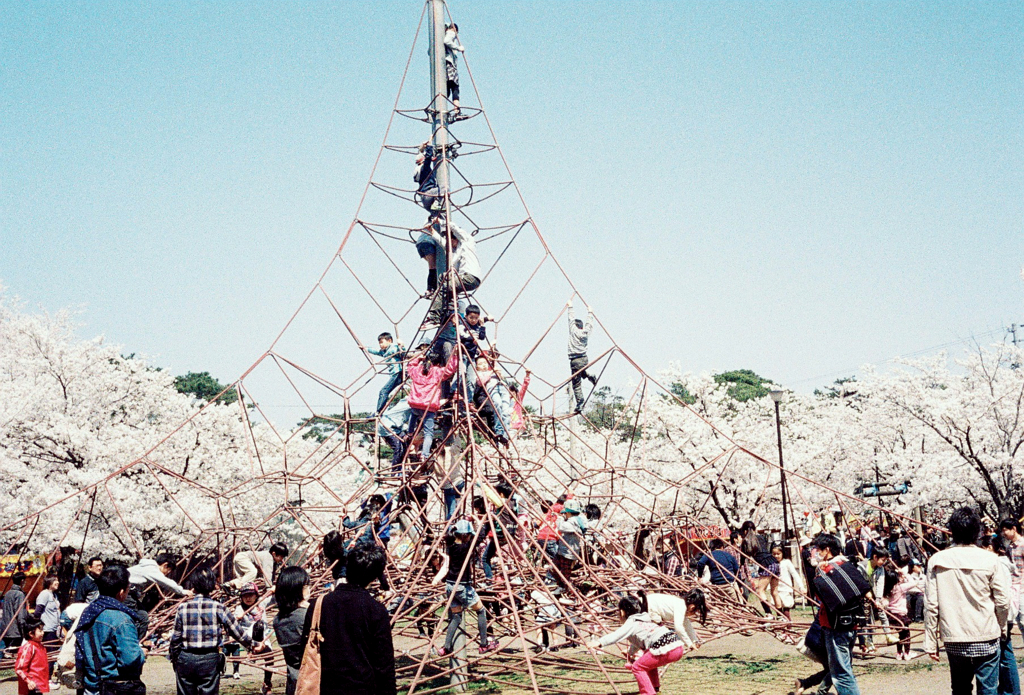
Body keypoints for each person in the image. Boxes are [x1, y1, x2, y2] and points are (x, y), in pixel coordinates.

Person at [926, 507, 1010, 695]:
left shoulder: (937, 560)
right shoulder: (991, 559)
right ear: (978, 532)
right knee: (988, 688)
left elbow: (931, 605)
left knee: (960, 687)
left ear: (952, 531)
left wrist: (931, 643)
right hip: (986, 633)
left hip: (954, 635)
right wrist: (1002, 627)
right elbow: (1003, 601)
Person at [301, 545, 397, 695]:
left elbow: (305, 649)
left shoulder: (318, 605)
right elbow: (384, 666)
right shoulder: (376, 611)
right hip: (363, 688)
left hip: (325, 688)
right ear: (375, 576)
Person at [170, 568, 265, 695]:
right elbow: (237, 632)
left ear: (193, 585)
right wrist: (254, 644)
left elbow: (175, 638)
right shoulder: (219, 608)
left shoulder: (182, 608)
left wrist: (175, 659)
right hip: (209, 659)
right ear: (212, 586)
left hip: (186, 658)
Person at [587, 595, 686, 695]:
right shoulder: (646, 619)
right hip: (677, 646)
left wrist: (599, 642)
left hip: (664, 647)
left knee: (638, 667)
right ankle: (655, 688)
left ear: (622, 612)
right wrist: (630, 652)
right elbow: (640, 641)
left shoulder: (632, 622)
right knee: (648, 661)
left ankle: (648, 693)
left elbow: (617, 635)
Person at [75, 564, 146, 695]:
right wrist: (142, 653)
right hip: (113, 687)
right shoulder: (121, 619)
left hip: (91, 684)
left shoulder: (89, 612)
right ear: (121, 592)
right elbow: (130, 660)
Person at [436, 520, 499, 657]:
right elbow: (480, 537)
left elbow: (453, 534)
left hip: (450, 586)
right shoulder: (466, 547)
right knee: (481, 611)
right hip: (462, 586)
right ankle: (483, 644)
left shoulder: (450, 546)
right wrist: (488, 522)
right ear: (465, 536)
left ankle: (446, 647)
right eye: (469, 535)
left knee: (456, 617)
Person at [811, 533, 863, 695]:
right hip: (852, 623)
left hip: (834, 625)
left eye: (818, 550)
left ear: (827, 550)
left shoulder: (826, 569)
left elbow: (820, 597)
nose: (817, 553)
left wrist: (818, 571)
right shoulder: (850, 565)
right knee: (845, 668)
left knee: (841, 674)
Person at [406, 345, 459, 460]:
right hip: (428, 406)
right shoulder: (437, 372)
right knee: (428, 433)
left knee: (414, 414)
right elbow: (450, 370)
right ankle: (425, 454)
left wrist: (418, 358)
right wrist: (455, 356)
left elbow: (410, 366)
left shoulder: (417, 370)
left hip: (415, 403)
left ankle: (410, 433)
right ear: (438, 363)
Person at [424, 222, 481, 328]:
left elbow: (456, 229)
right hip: (464, 278)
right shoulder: (456, 251)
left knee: (443, 287)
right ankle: (447, 304)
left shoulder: (467, 242)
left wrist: (442, 222)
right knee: (443, 277)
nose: (449, 245)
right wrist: (432, 231)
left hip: (470, 277)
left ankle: (434, 318)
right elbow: (444, 244)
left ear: (455, 239)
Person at [223, 583, 273, 694]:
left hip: (263, 637)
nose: (248, 598)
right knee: (257, 626)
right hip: (247, 638)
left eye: (251, 595)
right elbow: (234, 624)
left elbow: (273, 595)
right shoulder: (239, 608)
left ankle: (267, 683)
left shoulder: (261, 603)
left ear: (256, 596)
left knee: (270, 657)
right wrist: (237, 618)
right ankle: (253, 650)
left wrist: (274, 589)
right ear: (241, 597)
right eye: (245, 596)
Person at [272, 567, 309, 695]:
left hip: (293, 682)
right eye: (306, 586)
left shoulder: (278, 619)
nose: (309, 589)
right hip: (310, 682)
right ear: (297, 590)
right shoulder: (306, 616)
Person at [635, 589, 706, 651]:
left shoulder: (680, 604)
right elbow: (678, 628)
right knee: (654, 632)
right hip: (648, 607)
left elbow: (687, 625)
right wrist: (689, 644)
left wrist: (695, 640)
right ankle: (637, 652)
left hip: (649, 606)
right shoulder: (681, 606)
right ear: (692, 607)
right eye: (696, 611)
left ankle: (631, 651)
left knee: (646, 632)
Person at [566, 299, 596, 413]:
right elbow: (589, 324)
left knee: (576, 383)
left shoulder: (573, 331)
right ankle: (589, 376)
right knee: (581, 370)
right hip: (584, 358)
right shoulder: (586, 333)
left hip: (574, 359)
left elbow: (571, 319)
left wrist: (570, 307)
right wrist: (590, 312)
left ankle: (580, 402)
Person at [367, 332, 405, 414]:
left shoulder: (393, 348)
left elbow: (402, 353)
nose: (380, 345)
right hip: (394, 374)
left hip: (398, 372)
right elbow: (376, 351)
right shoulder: (384, 351)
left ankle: (379, 411)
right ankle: (380, 411)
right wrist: (366, 349)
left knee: (383, 391)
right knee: (384, 391)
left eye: (382, 342)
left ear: (389, 340)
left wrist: (401, 345)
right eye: (379, 343)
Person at [999, 518, 1024, 637]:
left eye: (1005, 530)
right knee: (1019, 621)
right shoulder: (1010, 547)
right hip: (1014, 586)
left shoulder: (1022, 544)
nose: (1004, 533)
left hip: (1022, 586)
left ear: (1014, 529)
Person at [33, 575, 61, 681]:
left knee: (53, 653)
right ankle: (46, 678)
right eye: (55, 580)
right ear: (49, 582)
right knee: (50, 654)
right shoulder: (44, 594)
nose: (57, 582)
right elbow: (37, 612)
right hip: (48, 629)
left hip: (55, 629)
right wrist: (39, 627)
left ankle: (48, 675)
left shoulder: (53, 595)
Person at [772, 543, 806, 620]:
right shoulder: (772, 564)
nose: (776, 556)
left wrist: (801, 586)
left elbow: (794, 574)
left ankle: (788, 624)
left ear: (782, 553)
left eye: (778, 554)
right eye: (774, 554)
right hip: (776, 589)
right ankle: (781, 624)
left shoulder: (786, 562)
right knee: (778, 607)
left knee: (786, 607)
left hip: (785, 588)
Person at [15, 618, 49, 695]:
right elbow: (20, 668)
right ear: (31, 634)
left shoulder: (40, 646)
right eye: (40, 631)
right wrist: (28, 681)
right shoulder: (28, 648)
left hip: (38, 684)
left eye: (42, 630)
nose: (43, 633)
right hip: (31, 685)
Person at [2, 571, 30, 650]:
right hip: (15, 632)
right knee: (14, 655)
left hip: (6, 630)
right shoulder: (19, 594)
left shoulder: (7, 593)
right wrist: (24, 630)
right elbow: (20, 614)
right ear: (22, 581)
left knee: (7, 653)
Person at [443, 23, 464, 116]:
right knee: (455, 88)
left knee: (446, 89)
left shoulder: (439, 36)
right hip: (450, 65)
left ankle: (443, 109)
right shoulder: (451, 33)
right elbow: (447, 41)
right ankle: (456, 111)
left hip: (444, 66)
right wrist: (458, 48)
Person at [905, 559, 926, 623]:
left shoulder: (924, 577)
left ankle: (918, 616)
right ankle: (909, 616)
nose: (920, 567)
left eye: (920, 566)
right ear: (912, 567)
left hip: (920, 595)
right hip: (909, 594)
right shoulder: (907, 577)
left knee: (921, 597)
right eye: (918, 566)